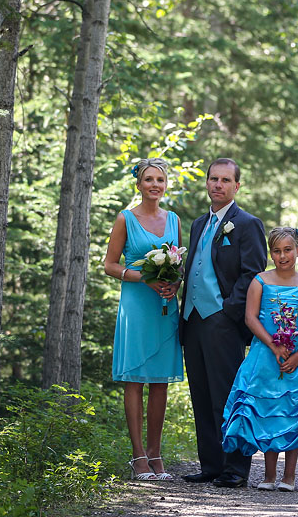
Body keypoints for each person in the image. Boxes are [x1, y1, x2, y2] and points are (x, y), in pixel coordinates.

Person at [221, 227, 298, 492]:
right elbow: (250, 318)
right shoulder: (260, 281)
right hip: (265, 356)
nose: (282, 256)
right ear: (270, 253)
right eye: (276, 251)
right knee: (268, 411)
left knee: (293, 410)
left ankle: (289, 476)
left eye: (287, 250)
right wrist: (274, 346)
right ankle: (269, 476)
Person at [180, 158, 268, 488]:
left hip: (224, 322)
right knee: (201, 396)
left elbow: (253, 272)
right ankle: (211, 465)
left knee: (228, 397)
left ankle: (235, 469)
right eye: (213, 179)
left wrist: (229, 310)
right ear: (207, 183)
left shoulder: (247, 223)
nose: (218, 185)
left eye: (225, 180)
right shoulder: (198, 224)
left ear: (236, 186)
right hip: (192, 321)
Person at [103, 158, 184, 481]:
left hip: (164, 305)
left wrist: (174, 283)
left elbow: (177, 263)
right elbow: (109, 265)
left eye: (160, 180)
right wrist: (142, 278)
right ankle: (138, 457)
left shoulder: (174, 219)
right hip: (136, 304)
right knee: (135, 379)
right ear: (138, 184)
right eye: (148, 179)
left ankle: (156, 454)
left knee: (160, 380)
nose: (155, 185)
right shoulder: (125, 218)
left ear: (165, 186)